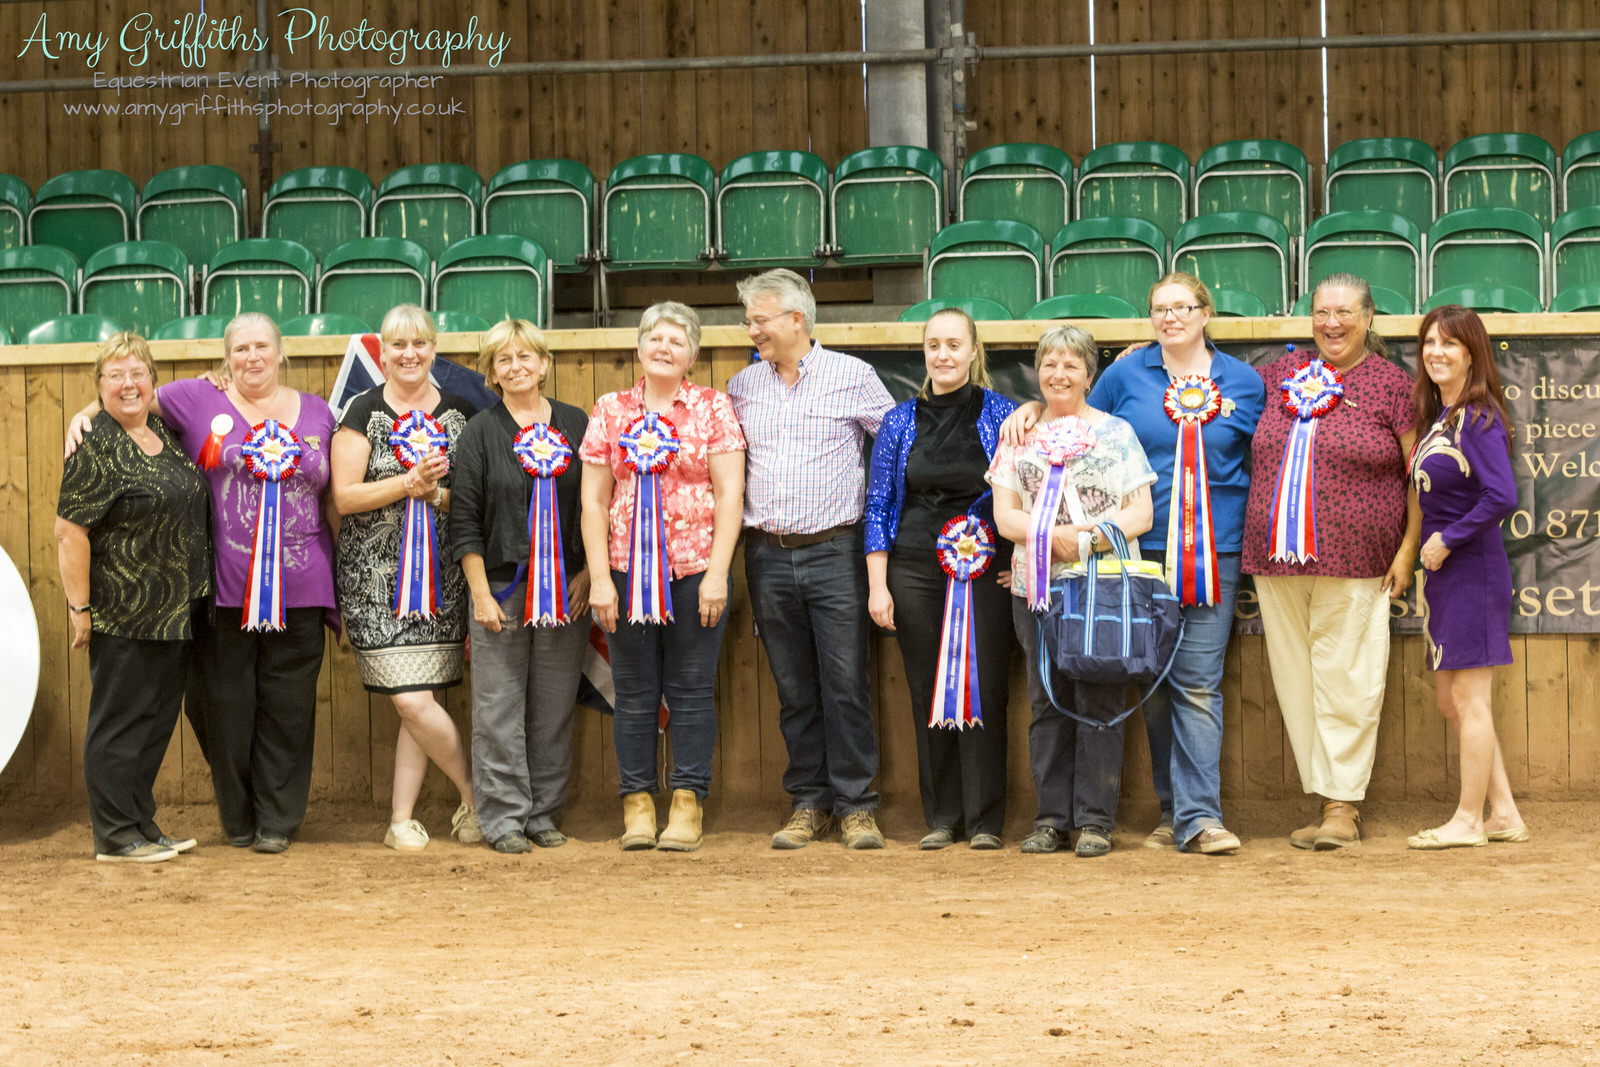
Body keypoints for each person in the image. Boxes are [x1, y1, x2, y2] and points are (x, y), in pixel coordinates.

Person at [1009, 272, 1266, 853]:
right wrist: (1029, 406)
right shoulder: (1126, 373)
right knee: (1146, 677)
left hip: (1212, 551)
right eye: (1159, 308)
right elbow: (1069, 420)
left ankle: (1202, 817)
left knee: (1198, 684)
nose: (1170, 316)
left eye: (1182, 307)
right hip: (1135, 556)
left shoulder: (1245, 383)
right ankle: (1173, 812)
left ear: (1206, 313)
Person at [67, 312, 338, 854]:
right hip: (222, 593)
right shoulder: (194, 399)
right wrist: (83, 412)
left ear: (281, 353)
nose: (252, 358)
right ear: (226, 358)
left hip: (301, 586)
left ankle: (277, 821)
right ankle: (237, 818)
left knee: (288, 708)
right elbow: (129, 392)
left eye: (262, 347)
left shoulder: (319, 412)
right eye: (240, 349)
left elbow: (330, 499)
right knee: (223, 708)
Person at [1243, 274, 1420, 849]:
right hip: (1276, 558)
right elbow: (1204, 388)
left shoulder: (1394, 386)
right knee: (1296, 681)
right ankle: (1324, 798)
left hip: (1360, 557)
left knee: (1350, 679)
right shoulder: (1277, 376)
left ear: (1369, 318)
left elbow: (1420, 473)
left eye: (1344, 312)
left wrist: (1409, 548)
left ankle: (1342, 807)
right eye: (1322, 312)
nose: (1332, 323)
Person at [728, 269, 895, 850]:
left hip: (836, 550)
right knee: (794, 686)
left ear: (796, 320)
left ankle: (856, 806)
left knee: (846, 682)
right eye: (750, 321)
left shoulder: (854, 375)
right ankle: (808, 801)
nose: (752, 330)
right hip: (767, 555)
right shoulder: (741, 386)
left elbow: (900, 447)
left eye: (760, 320)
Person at [580, 301, 746, 852]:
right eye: (655, 339)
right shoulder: (609, 410)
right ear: (638, 348)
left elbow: (729, 496)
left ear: (692, 356)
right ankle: (637, 805)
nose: (664, 348)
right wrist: (600, 579)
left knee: (692, 690)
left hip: (695, 570)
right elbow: (593, 501)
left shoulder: (712, 408)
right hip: (626, 573)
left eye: (676, 342)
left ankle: (687, 803)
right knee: (633, 692)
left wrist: (718, 574)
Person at [988, 325, 1156, 857]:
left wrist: (1082, 542)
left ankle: (1095, 822)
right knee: (1047, 701)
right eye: (1050, 364)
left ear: (1089, 374)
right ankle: (1050, 819)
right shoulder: (1019, 435)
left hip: (1101, 586)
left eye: (1071, 365)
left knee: (1100, 697)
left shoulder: (1117, 432)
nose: (1059, 374)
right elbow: (1004, 514)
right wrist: (1048, 537)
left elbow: (1141, 512)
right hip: (1033, 587)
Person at [55, 333, 212, 863]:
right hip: (124, 612)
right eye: (115, 375)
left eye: (137, 373)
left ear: (153, 379)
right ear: (98, 387)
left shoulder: (161, 430)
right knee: (119, 723)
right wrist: (80, 609)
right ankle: (116, 835)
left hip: (175, 612)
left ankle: (139, 823)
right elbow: (68, 532)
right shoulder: (94, 442)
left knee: (155, 721)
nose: (129, 384)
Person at [864, 308, 1017, 850]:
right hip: (913, 569)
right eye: (933, 345)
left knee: (986, 686)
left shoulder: (1007, 413)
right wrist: (878, 585)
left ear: (974, 351)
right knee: (929, 688)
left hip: (986, 566)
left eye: (954, 344)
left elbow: (1028, 490)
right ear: (923, 352)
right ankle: (942, 816)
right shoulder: (898, 422)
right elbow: (879, 503)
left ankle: (986, 820)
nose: (943, 354)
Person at [331, 305, 481, 852]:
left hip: (442, 578)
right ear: (383, 353)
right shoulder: (361, 410)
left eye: (419, 343)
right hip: (373, 580)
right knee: (411, 699)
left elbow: (469, 497)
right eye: (397, 345)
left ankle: (400, 820)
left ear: (433, 348)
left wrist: (433, 493)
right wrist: (407, 483)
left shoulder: (462, 412)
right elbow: (345, 496)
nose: (409, 354)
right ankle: (473, 797)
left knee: (416, 696)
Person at [453, 319, 592, 854]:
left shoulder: (577, 424)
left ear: (544, 362)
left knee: (554, 705)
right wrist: (480, 593)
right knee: (497, 707)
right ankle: (504, 818)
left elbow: (594, 507)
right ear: (491, 372)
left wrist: (586, 573)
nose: (516, 367)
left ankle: (543, 813)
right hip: (502, 586)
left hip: (566, 588)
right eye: (503, 360)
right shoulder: (481, 432)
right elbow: (463, 521)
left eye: (525, 357)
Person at [1405, 305, 1526, 850]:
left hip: (1473, 571)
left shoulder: (1477, 416)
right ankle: (1503, 813)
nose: (1436, 351)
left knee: (1471, 701)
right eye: (1429, 342)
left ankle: (1468, 820)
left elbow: (1502, 496)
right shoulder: (1443, 417)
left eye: (1449, 343)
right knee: (1452, 702)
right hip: (1446, 576)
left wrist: (1448, 538)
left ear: (1472, 352)